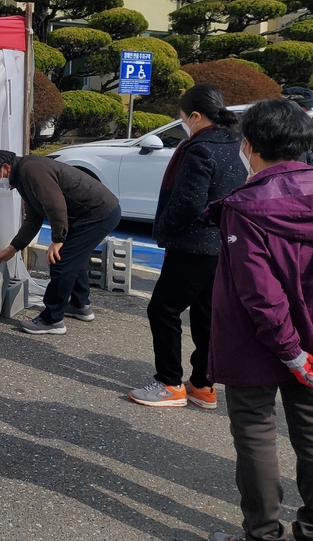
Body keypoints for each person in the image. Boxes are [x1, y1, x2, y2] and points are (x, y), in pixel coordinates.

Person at [206, 99, 313, 541]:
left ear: (249, 145)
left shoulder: (246, 206)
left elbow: (260, 294)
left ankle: (263, 533)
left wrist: (289, 351)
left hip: (256, 341)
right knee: (309, 431)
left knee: (255, 432)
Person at [129, 85, 247, 410]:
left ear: (194, 116)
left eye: (182, 117)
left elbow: (188, 203)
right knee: (206, 314)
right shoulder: (236, 143)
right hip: (223, 245)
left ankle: (169, 383)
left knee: (163, 309)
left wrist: (165, 230)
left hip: (193, 245)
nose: (183, 123)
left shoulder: (200, 148)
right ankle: (203, 385)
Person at [0, 149, 121, 335]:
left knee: (61, 261)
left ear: (6, 167)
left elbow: (54, 203)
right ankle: (81, 305)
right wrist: (13, 247)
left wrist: (58, 239)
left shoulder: (31, 169)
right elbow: (33, 218)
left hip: (98, 213)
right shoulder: (23, 176)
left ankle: (52, 320)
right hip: (89, 214)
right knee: (73, 258)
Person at [282, 86, 313, 164]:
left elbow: (309, 155)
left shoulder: (303, 128)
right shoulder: (279, 130)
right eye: (307, 108)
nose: (310, 112)